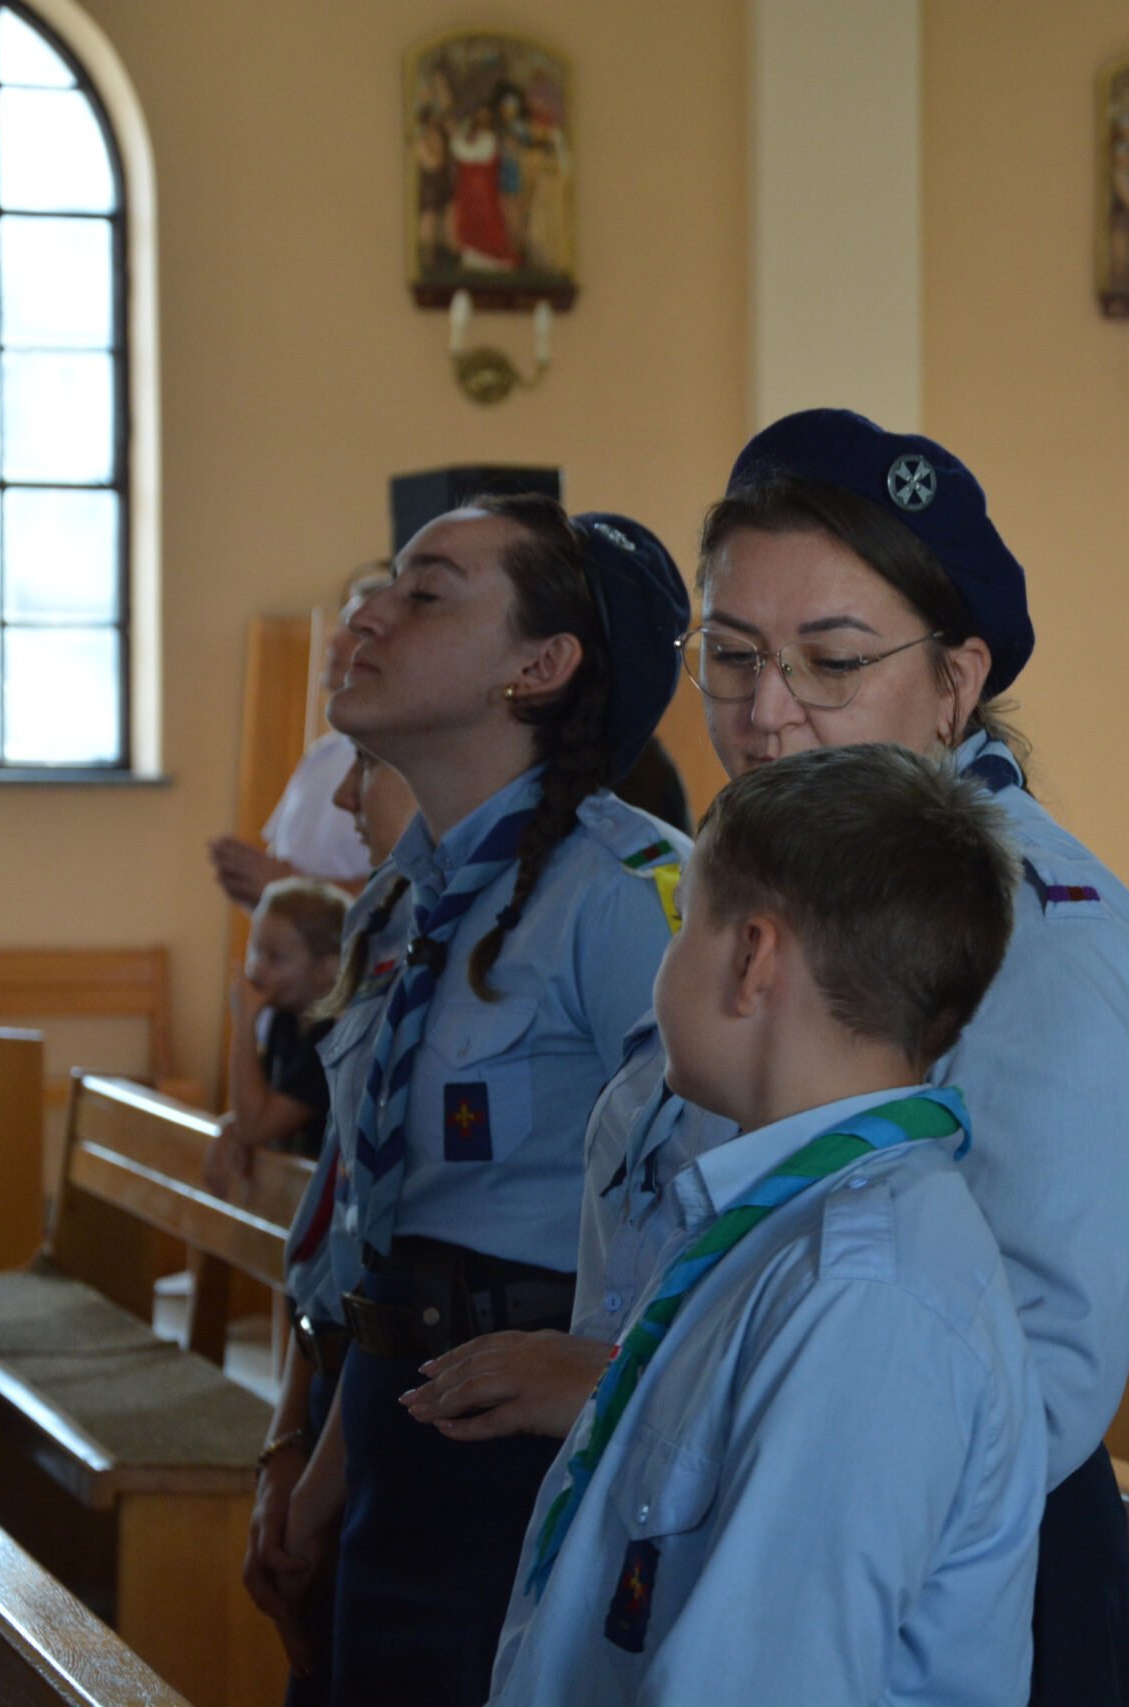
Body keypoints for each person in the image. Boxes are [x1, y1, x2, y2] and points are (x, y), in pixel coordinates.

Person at [398, 409, 1129, 1707]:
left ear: (955, 681)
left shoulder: (1050, 937)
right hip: (691, 1535)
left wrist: (627, 1387)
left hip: (919, 1591)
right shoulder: (766, 884)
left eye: (831, 661)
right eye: (731, 655)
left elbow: (1032, 1381)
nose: (765, 714)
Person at [487, 743, 1044, 1704]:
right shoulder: (781, 1224)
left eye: (683, 927)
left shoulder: (864, 1293)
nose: (664, 964)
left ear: (753, 959)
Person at [272, 496, 690, 1706]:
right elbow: (379, 1224)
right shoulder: (401, 904)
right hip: (389, 1408)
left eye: (427, 592)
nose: (368, 615)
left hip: (532, 1443)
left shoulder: (629, 894)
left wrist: (613, 1392)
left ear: (539, 667)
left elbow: (709, 1203)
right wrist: (315, 1457)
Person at [244, 744, 416, 1704]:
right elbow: (332, 1236)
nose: (345, 792)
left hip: (386, 1404)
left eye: (373, 764)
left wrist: (312, 1485)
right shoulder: (384, 923)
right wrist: (283, 1449)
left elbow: (398, 1260)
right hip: (328, 1375)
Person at [210, 567, 388, 908]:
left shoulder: (411, 766)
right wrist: (254, 885)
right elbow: (277, 873)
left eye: (356, 633)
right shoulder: (322, 755)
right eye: (340, 628)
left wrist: (287, 886)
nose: (334, 642)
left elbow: (404, 899)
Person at [205, 879, 350, 1196]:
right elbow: (256, 1107)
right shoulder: (285, 1019)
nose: (257, 967)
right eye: (255, 949)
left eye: (275, 957)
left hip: (325, 1196)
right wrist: (232, 1125)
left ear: (327, 970)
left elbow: (256, 1126)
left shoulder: (334, 1038)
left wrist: (244, 1021)